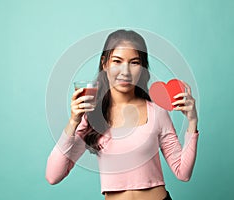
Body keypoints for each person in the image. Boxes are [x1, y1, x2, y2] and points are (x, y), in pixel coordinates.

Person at [45, 29, 199, 200]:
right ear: (105, 64)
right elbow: (53, 176)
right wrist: (73, 122)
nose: (125, 71)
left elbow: (183, 173)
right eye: (117, 61)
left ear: (142, 68)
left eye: (134, 62)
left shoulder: (158, 112)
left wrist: (192, 122)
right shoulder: (92, 118)